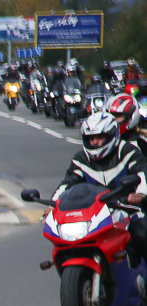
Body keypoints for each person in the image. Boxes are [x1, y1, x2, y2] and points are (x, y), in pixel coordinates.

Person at [52, 112, 147, 270]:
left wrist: (140, 195)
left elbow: (143, 174)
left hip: (129, 210)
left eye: (99, 137)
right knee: (72, 242)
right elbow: (68, 183)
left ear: (111, 135)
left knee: (141, 233)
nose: (94, 142)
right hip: (95, 215)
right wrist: (53, 204)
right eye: (90, 138)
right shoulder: (81, 159)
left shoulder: (128, 151)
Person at [107, 93, 147, 157]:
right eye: (111, 116)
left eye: (118, 116)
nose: (113, 120)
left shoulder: (140, 144)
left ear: (131, 117)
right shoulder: (104, 140)